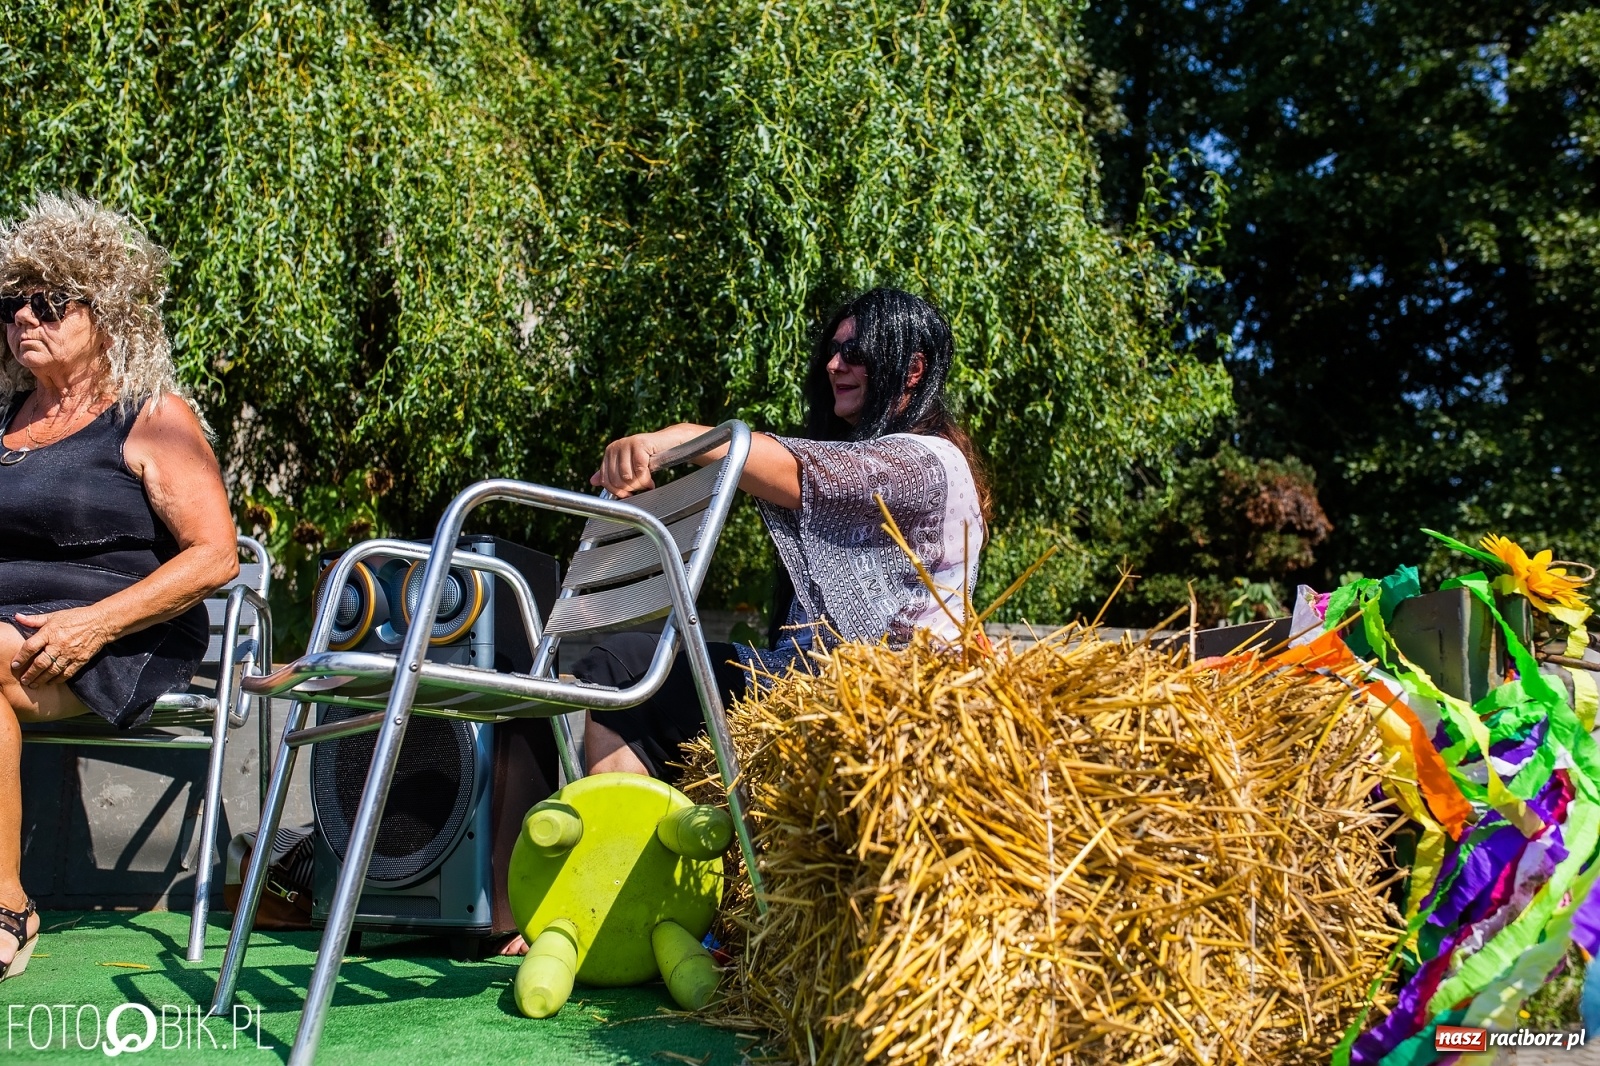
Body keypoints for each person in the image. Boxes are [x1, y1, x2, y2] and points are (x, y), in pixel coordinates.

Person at [580, 286, 990, 780]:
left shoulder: (927, 461)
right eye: (832, 352)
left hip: (885, 700)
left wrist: (673, 439)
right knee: (618, 670)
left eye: (855, 353)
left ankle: (610, 846)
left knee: (627, 668)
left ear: (914, 369)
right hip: (816, 683)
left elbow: (797, 471)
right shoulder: (885, 456)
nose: (834, 365)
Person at [0, 194, 239, 980]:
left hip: (116, 636)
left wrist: (94, 625)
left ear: (107, 314)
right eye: (12, 304)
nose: (24, 318)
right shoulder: (5, 422)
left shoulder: (149, 416)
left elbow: (214, 557)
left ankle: (7, 904)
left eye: (47, 301)